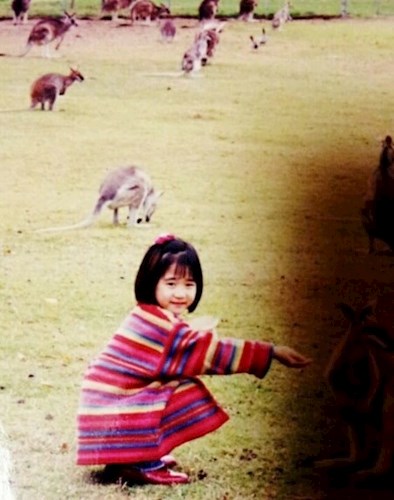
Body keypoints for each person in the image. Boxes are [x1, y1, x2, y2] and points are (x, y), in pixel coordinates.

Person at [76, 234, 311, 485]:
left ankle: (126, 457)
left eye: (189, 284)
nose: (181, 293)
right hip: (109, 414)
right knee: (185, 388)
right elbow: (212, 354)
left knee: (173, 382)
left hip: (103, 416)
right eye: (171, 283)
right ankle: (143, 463)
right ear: (151, 282)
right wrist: (270, 351)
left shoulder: (148, 315)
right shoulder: (160, 327)